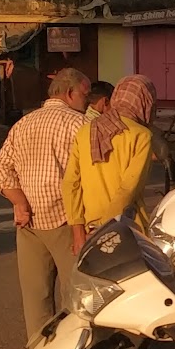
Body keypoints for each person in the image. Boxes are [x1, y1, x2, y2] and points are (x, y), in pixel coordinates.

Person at [0, 67, 90, 344]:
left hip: (29, 222)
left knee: (36, 298)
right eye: (85, 94)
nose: (87, 100)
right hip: (67, 221)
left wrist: (19, 202)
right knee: (76, 295)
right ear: (71, 93)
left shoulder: (24, 123)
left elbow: (1, 167)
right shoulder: (79, 125)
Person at [63, 74, 157, 252]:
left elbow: (70, 183)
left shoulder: (86, 130)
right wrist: (104, 228)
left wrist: (79, 232)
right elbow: (128, 189)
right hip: (127, 228)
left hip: (88, 228)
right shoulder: (141, 135)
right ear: (145, 102)